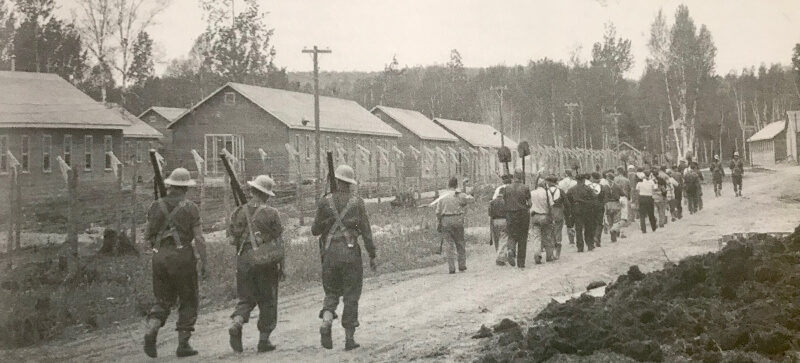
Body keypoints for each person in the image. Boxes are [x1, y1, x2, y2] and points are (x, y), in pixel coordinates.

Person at [143, 168, 208, 358]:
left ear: (170, 185)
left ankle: (151, 329)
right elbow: (200, 239)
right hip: (182, 257)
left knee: (162, 299)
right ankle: (183, 344)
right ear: (186, 188)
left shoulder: (155, 206)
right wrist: (204, 262)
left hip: (159, 257)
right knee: (188, 299)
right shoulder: (190, 207)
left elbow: (147, 235)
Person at [312, 164, 377, 351]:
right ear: (350, 183)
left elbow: (314, 230)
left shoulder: (325, 201)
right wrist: (372, 254)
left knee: (331, 293)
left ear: (336, 180)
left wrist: (327, 220)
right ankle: (349, 339)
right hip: (350, 254)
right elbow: (366, 231)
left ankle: (326, 320)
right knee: (351, 295)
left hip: (330, 254)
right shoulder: (357, 202)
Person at [227, 175, 286, 353]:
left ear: (252, 191)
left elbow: (231, 240)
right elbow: (279, 242)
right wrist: (282, 266)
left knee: (245, 298)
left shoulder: (237, 212)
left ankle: (237, 323)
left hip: (244, 260)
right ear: (266, 195)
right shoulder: (272, 213)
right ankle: (263, 341)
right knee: (268, 300)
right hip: (265, 261)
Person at [436, 177, 475, 273]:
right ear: (456, 185)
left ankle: (451, 268)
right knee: (460, 243)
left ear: (448, 185)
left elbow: (437, 212)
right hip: (457, 220)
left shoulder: (442, 196)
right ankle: (462, 265)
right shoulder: (459, 195)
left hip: (445, 220)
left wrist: (439, 222)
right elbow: (471, 199)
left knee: (448, 245)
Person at [504, 169, 532, 268]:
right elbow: (530, 203)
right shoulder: (525, 188)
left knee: (511, 235)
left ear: (514, 177)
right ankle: (521, 263)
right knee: (522, 237)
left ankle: (511, 249)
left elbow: (505, 202)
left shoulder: (507, 188)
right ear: (522, 177)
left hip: (510, 215)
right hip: (522, 214)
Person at [566, 173, 597, 252]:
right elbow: (594, 199)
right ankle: (590, 245)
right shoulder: (588, 189)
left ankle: (580, 247)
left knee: (578, 229)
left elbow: (568, 201)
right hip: (587, 210)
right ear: (583, 180)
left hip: (577, 211)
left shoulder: (571, 189)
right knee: (588, 228)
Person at [529, 176, 555, 263]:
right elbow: (551, 205)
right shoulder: (547, 193)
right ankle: (549, 255)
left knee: (537, 237)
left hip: (535, 216)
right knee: (547, 236)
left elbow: (529, 204)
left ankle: (537, 254)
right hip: (545, 216)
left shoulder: (532, 193)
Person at [546, 175, 567, 259]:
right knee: (558, 231)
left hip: (548, 213)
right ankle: (557, 252)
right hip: (559, 212)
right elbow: (566, 203)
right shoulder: (560, 191)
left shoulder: (545, 191)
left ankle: (550, 252)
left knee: (549, 232)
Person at [489, 186, 510, 265]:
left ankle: (498, 254)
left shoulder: (492, 202)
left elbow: (490, 215)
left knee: (496, 239)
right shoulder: (506, 202)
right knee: (504, 239)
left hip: (494, 221)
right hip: (504, 220)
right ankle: (500, 257)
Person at [557, 170, 578, 245]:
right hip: (574, 202)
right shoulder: (574, 182)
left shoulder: (561, 183)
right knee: (576, 219)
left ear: (565, 174)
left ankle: (571, 239)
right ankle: (576, 235)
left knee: (568, 221)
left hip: (565, 203)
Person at [588, 172, 607, 248]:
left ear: (592, 178)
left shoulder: (588, 187)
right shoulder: (602, 187)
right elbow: (603, 197)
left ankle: (592, 238)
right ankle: (597, 237)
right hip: (599, 206)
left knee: (591, 222)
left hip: (590, 206)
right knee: (599, 222)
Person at [604, 171, 624, 242]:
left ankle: (613, 236)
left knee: (610, 220)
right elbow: (623, 194)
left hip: (608, 204)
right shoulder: (617, 186)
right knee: (617, 220)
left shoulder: (605, 187)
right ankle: (615, 231)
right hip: (616, 203)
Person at [613, 167, 631, 237]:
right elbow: (629, 189)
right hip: (624, 197)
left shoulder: (614, 179)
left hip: (616, 198)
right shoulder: (626, 180)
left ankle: (616, 230)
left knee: (617, 215)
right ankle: (622, 232)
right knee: (623, 216)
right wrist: (629, 197)